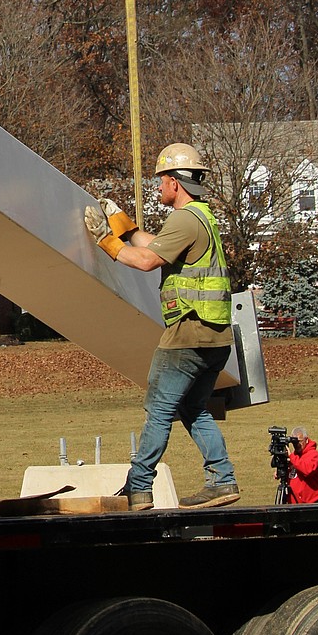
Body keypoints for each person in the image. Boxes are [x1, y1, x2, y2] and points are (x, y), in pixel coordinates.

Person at [85, 142, 239, 511]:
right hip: (215, 337)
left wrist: (105, 241)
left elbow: (146, 260)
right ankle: (222, 480)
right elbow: (158, 245)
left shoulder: (185, 219)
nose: (158, 188)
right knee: (193, 408)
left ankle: (138, 486)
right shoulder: (201, 217)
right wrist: (125, 227)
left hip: (188, 333)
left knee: (159, 409)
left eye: (161, 181)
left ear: (175, 181)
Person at [287, 426, 318, 503]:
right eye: (295, 442)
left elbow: (307, 470)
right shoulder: (294, 456)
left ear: (306, 440)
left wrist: (291, 457)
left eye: (300, 441)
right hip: (296, 504)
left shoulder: (314, 455)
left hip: (312, 503)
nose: (297, 444)